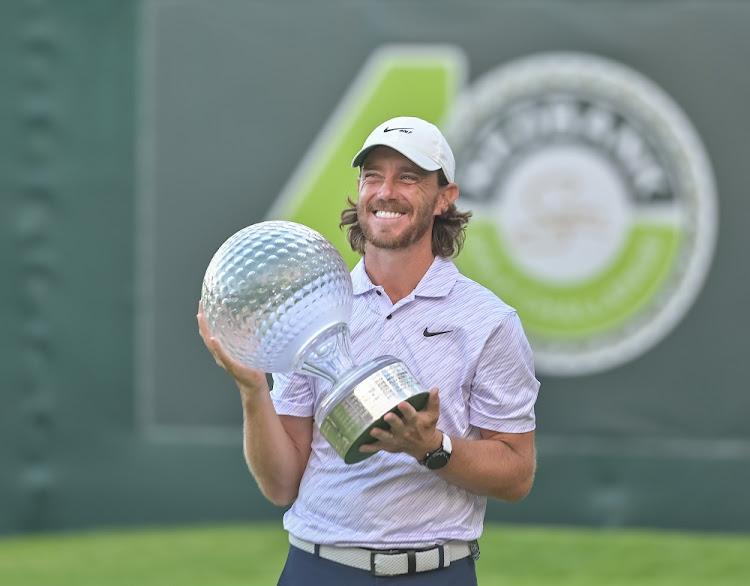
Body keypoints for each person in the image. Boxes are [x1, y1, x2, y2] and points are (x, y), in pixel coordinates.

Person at [197, 116, 540, 585]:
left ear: (444, 198)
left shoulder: (489, 320)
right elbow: (281, 486)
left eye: (409, 177)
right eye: (372, 175)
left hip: (435, 571)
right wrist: (253, 389)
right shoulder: (313, 305)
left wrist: (430, 448)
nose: (385, 191)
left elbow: (517, 474)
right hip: (318, 568)